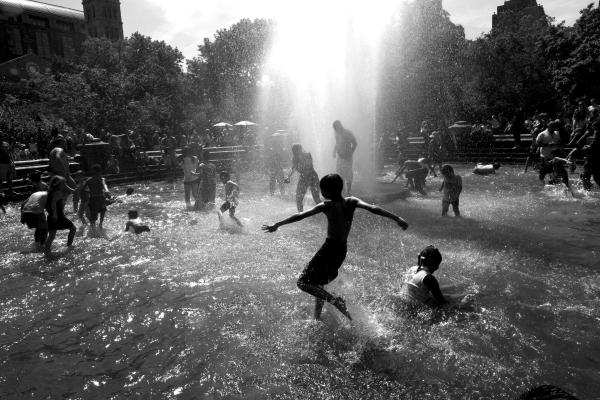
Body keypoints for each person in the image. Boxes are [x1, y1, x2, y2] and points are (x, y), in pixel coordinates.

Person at [262, 174, 409, 321]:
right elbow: (373, 208)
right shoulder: (351, 201)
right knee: (317, 282)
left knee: (302, 283)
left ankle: (335, 301)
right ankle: (317, 317)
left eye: (322, 190)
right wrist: (397, 218)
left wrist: (277, 224)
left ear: (326, 191)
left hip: (329, 248)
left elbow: (300, 215)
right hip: (341, 250)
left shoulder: (327, 206)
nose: (321, 193)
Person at [44, 176, 76, 254]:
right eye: (63, 183)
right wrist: (55, 214)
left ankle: (46, 252)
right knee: (73, 229)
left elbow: (73, 191)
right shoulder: (57, 192)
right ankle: (69, 246)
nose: (65, 184)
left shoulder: (51, 191)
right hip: (58, 215)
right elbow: (53, 203)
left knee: (51, 236)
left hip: (51, 215)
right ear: (58, 184)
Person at [285, 144, 320, 212]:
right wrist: (288, 177)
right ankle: (300, 214)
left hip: (312, 177)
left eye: (296, 151)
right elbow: (293, 168)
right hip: (304, 177)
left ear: (300, 150)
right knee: (298, 198)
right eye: (293, 151)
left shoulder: (307, 155)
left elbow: (308, 167)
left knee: (316, 198)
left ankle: (325, 212)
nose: (294, 153)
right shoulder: (295, 158)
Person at [332, 120, 358, 195]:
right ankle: (342, 192)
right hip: (340, 157)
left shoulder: (348, 133)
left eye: (335, 128)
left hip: (347, 158)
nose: (335, 130)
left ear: (339, 126)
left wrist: (351, 153)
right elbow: (337, 143)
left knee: (348, 175)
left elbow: (355, 144)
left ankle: (349, 192)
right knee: (340, 175)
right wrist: (334, 151)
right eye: (334, 128)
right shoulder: (337, 134)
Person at [83, 164, 109, 229]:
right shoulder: (89, 180)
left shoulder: (100, 179)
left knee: (101, 212)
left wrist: (106, 190)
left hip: (98, 198)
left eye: (95, 172)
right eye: (94, 172)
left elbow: (104, 185)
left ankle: (99, 225)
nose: (95, 174)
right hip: (95, 198)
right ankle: (97, 225)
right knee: (97, 214)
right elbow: (82, 188)